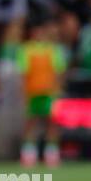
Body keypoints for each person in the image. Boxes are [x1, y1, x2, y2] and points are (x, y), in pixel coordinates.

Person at [15, 20, 68, 167]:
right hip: (32, 92)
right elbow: (23, 73)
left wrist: (59, 89)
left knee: (52, 124)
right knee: (30, 123)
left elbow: (59, 71)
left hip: (49, 92)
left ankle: (51, 154)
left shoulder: (54, 50)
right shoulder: (26, 50)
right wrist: (23, 92)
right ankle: (28, 154)